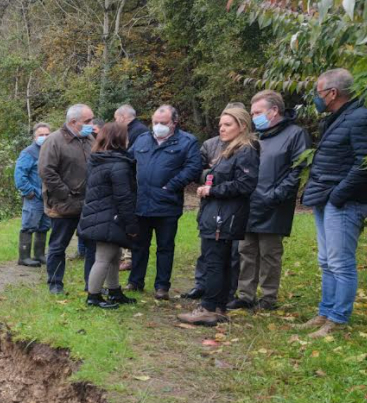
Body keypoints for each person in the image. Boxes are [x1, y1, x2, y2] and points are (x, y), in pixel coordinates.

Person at [297, 68, 367, 338]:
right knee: (326, 260)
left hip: (344, 201)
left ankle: (338, 319)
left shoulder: (360, 118)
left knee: (341, 262)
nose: (317, 97)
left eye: (319, 92)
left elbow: (363, 164)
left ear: (333, 93)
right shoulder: (336, 119)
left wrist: (338, 195)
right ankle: (325, 312)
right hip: (325, 197)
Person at [228, 90, 311, 311]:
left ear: (274, 111)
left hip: (274, 205)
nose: (254, 117)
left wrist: (275, 195)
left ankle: (268, 297)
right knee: (246, 251)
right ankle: (245, 294)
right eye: (252, 112)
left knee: (269, 253)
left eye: (258, 112)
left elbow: (297, 170)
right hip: (249, 202)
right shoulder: (255, 137)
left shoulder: (295, 134)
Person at [179, 105, 259, 326]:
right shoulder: (228, 149)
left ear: (242, 126)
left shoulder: (246, 149)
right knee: (220, 261)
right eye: (220, 125)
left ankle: (208, 307)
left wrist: (212, 190)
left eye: (227, 124)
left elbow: (246, 183)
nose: (222, 129)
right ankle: (219, 307)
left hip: (225, 216)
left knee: (215, 261)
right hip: (217, 213)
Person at [127, 105, 202, 300]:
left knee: (165, 247)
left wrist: (172, 185)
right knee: (138, 245)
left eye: (164, 123)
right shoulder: (142, 139)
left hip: (167, 204)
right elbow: (129, 162)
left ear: (174, 123)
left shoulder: (187, 141)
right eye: (155, 122)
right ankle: (135, 281)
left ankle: (162, 286)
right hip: (141, 203)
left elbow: (194, 167)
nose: (159, 126)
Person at [78, 122, 138, 309]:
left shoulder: (98, 159)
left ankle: (114, 291)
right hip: (110, 216)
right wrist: (131, 225)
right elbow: (124, 197)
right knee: (103, 258)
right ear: (119, 139)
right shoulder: (118, 165)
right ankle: (93, 296)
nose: (129, 139)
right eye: (126, 136)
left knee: (114, 254)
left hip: (99, 214)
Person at [39, 104, 96, 294]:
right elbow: (46, 171)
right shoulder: (54, 141)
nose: (91, 124)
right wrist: (64, 193)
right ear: (73, 122)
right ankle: (55, 283)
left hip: (87, 204)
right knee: (58, 246)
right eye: (87, 121)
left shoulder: (89, 139)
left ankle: (92, 286)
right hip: (62, 205)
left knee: (92, 246)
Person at [113, 104, 147, 271]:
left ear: (122, 117)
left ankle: (129, 256)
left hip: (131, 181)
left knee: (129, 218)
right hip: (129, 179)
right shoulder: (140, 129)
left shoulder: (136, 132)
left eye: (116, 118)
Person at [15, 123, 52, 267]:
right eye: (41, 135)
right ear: (34, 137)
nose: (44, 137)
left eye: (47, 134)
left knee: (44, 226)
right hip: (34, 197)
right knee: (28, 226)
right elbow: (19, 175)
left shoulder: (51, 150)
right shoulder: (28, 152)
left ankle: (39, 255)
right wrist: (29, 192)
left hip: (48, 197)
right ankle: (24, 257)